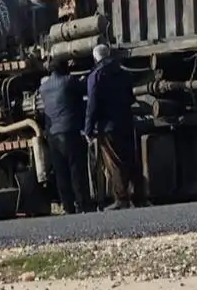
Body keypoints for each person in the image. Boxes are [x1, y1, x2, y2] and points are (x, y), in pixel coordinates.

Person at [84, 44, 143, 210]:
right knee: (130, 158)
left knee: (114, 162)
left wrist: (88, 129)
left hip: (107, 126)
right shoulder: (123, 73)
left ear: (95, 58)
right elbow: (131, 97)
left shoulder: (95, 76)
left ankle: (121, 198)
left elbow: (92, 105)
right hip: (125, 120)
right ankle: (138, 196)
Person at [40, 58, 95, 214]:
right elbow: (86, 88)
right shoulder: (69, 81)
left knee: (61, 173)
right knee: (76, 170)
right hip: (70, 132)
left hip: (53, 135)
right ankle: (83, 204)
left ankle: (67, 206)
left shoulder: (43, 88)